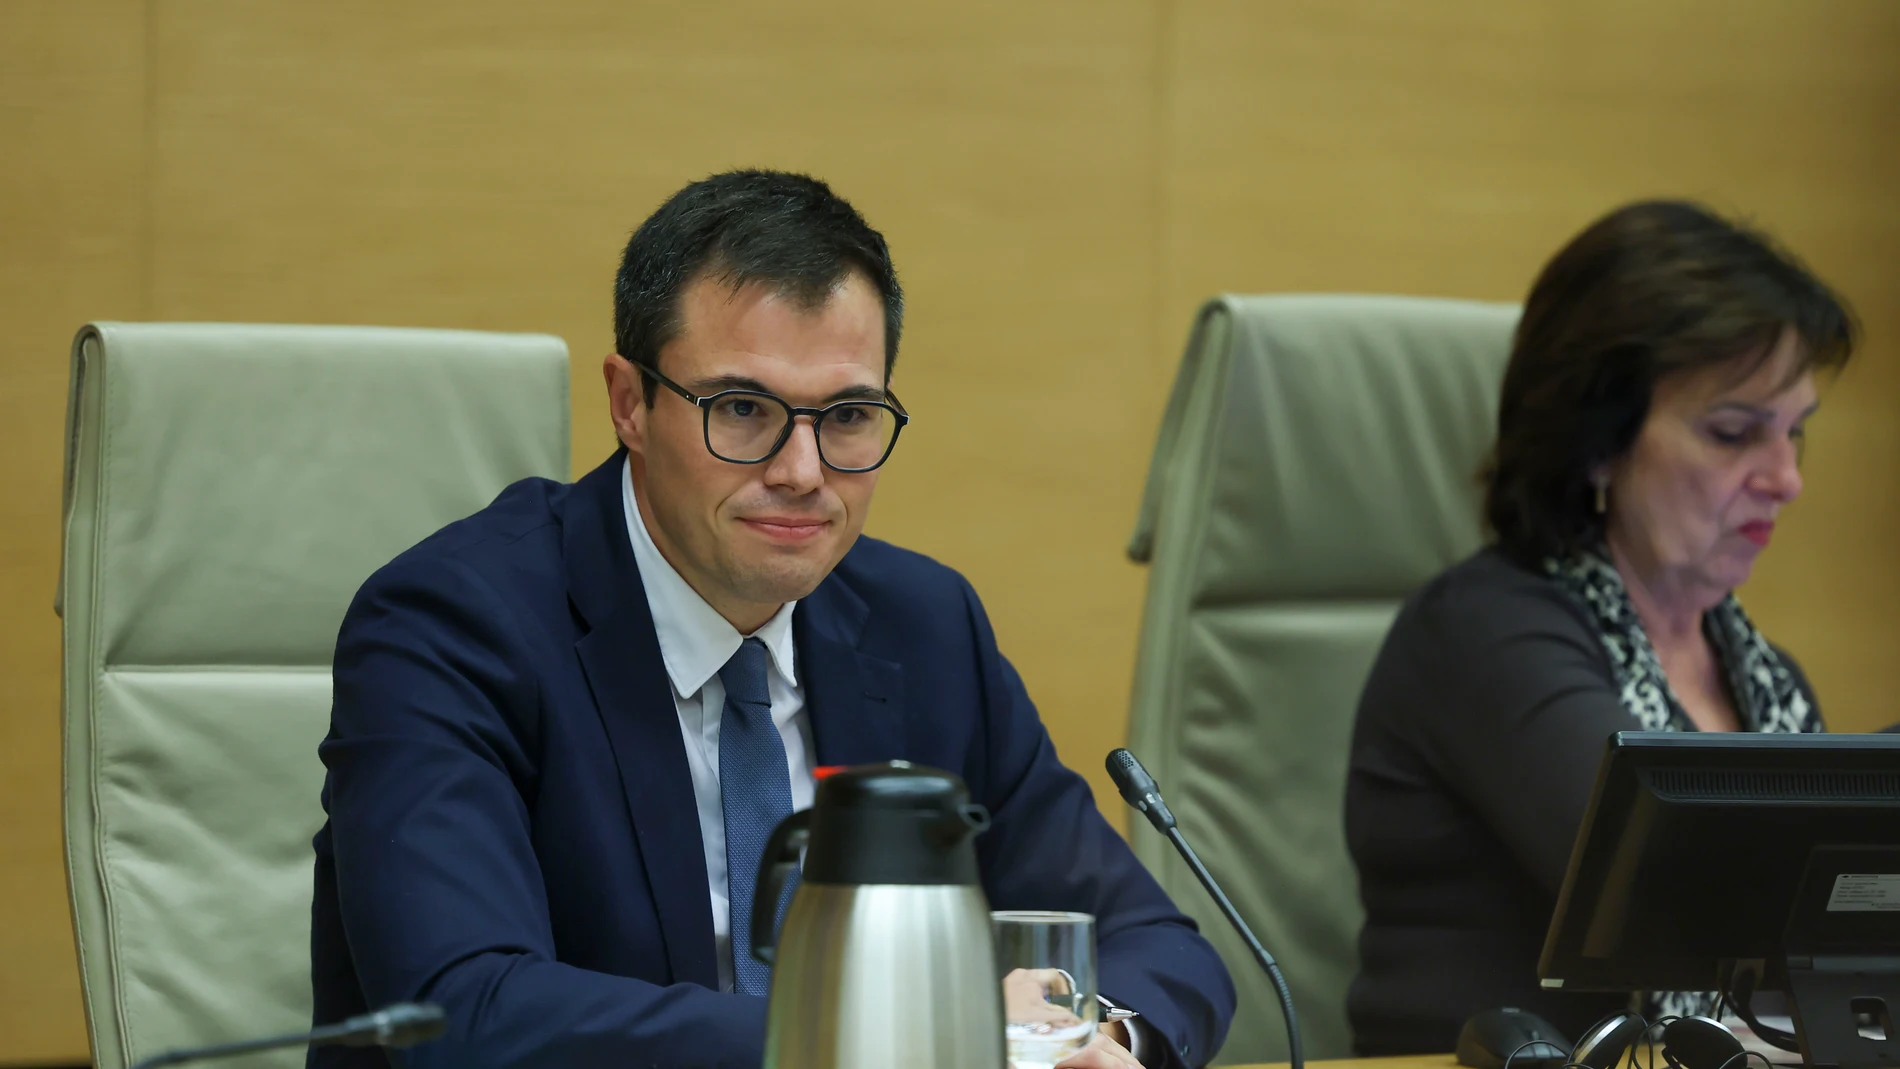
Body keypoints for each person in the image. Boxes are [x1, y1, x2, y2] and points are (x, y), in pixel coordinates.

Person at [308, 170, 1234, 1069]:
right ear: (630, 402)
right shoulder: (455, 625)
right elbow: (463, 1014)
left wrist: (1097, 1037)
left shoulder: (922, 626)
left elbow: (1154, 943)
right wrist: (883, 1037)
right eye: (742, 408)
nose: (801, 469)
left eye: (848, 415)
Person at [1343, 200, 1858, 1054]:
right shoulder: (1482, 636)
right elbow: (1685, 887)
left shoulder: (1768, 679)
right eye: (1735, 433)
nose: (1786, 477)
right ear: (1597, 443)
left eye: (1795, 433)